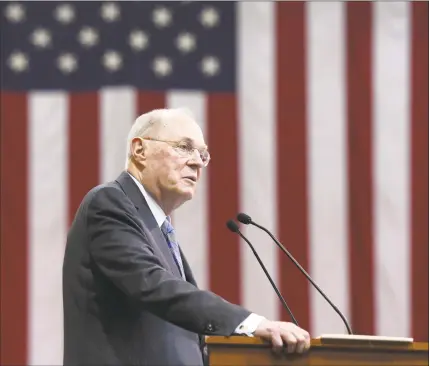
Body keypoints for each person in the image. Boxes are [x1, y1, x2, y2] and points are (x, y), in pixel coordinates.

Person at [62, 108, 311, 366]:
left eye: (202, 154)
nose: (197, 162)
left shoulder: (158, 227)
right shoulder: (109, 203)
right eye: (184, 147)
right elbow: (152, 285)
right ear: (139, 150)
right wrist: (251, 324)